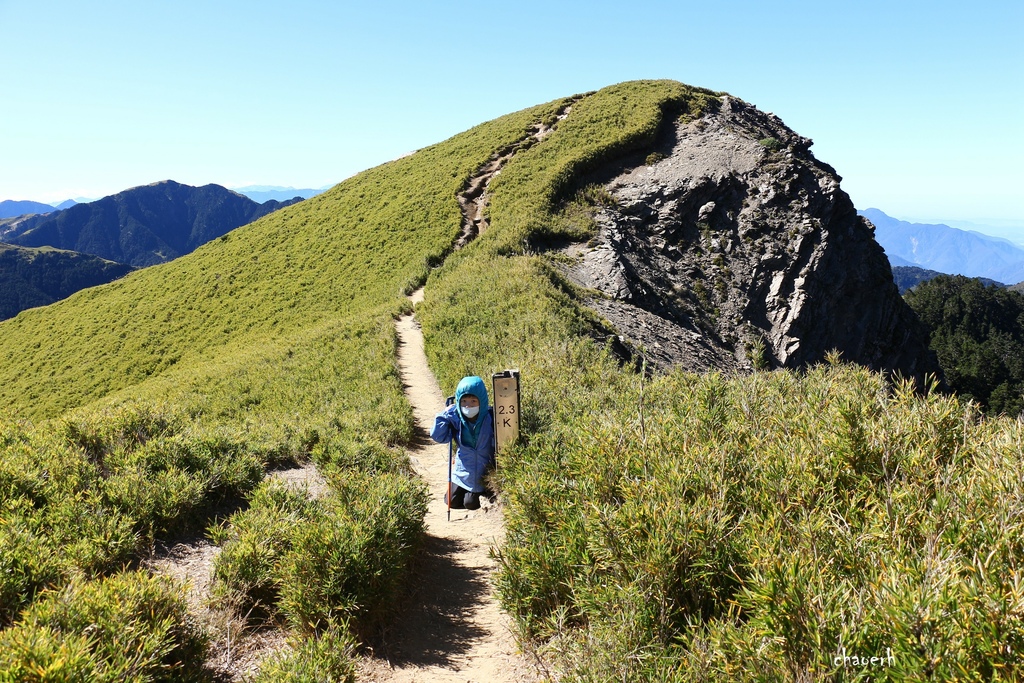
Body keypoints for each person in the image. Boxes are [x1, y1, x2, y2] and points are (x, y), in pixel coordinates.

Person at [430, 375, 495, 511]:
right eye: (464, 401)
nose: (468, 405)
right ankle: (467, 492)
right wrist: (444, 415)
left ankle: (478, 494)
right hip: (463, 470)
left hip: (484, 471)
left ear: (481, 401)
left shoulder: (490, 417)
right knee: (451, 501)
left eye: (473, 401)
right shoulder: (455, 418)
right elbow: (438, 436)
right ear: (458, 401)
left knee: (470, 503)